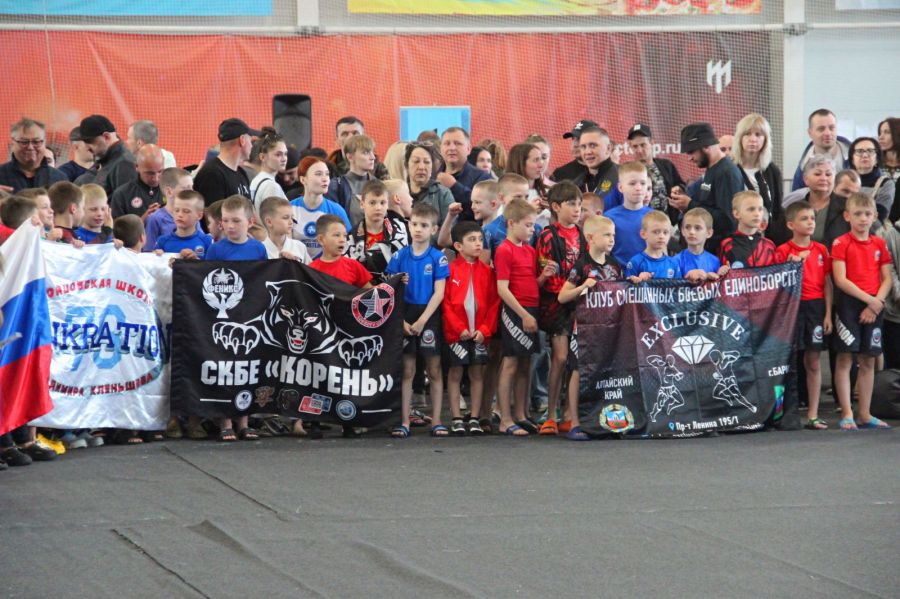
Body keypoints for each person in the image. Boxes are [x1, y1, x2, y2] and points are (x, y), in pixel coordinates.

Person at [385, 203, 449, 438]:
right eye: (414, 224)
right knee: (407, 369)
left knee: (434, 369)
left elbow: (439, 293)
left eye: (424, 225)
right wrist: (401, 320)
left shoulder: (438, 257)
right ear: (408, 226)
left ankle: (437, 420)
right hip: (405, 313)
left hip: (428, 316)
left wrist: (423, 320)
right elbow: (390, 290)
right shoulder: (399, 256)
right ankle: (404, 421)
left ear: (434, 229)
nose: (418, 229)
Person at [831, 192, 893, 430]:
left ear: (875, 216)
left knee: (868, 359)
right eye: (858, 214)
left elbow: (887, 278)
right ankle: (847, 412)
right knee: (845, 358)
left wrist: (876, 303)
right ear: (847, 216)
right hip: (849, 304)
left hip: (874, 305)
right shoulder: (841, 243)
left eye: (868, 214)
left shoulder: (879, 243)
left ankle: (865, 414)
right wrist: (870, 301)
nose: (863, 218)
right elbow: (840, 279)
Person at [495, 199, 553, 436]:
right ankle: (505, 418)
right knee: (510, 363)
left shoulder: (529, 250)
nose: (532, 229)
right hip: (515, 311)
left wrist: (544, 277)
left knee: (526, 362)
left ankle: (520, 414)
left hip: (531, 309)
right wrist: (523, 314)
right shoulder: (504, 249)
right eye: (528, 225)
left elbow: (530, 283)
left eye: (533, 225)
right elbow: (502, 289)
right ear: (511, 223)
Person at [775, 201, 833, 430]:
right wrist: (791, 265)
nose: (810, 222)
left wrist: (828, 314)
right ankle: (781, 413)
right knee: (786, 363)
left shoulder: (821, 250)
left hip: (815, 308)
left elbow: (827, 283)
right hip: (791, 308)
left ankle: (813, 414)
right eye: (804, 218)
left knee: (814, 361)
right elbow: (776, 284)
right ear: (791, 224)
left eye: (812, 218)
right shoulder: (783, 251)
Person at [534, 182, 584, 437]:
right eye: (571, 204)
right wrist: (570, 291)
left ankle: (568, 413)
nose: (577, 209)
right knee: (561, 357)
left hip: (579, 303)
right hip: (555, 305)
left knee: (574, 360)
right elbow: (547, 273)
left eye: (579, 204)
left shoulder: (582, 234)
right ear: (555, 207)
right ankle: (550, 413)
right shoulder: (547, 235)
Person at [442, 221, 500, 435]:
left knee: (477, 373)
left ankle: (474, 417)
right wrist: (458, 328)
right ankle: (457, 417)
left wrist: (485, 329)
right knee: (455, 373)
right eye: (472, 240)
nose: (478, 244)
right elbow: (445, 303)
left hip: (479, 334)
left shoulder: (488, 272)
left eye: (480, 240)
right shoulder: (449, 270)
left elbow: (494, 304)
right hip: (456, 334)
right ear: (458, 246)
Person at [674, 122, 744, 252]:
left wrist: (690, 205)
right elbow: (707, 201)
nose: (690, 158)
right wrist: (685, 196)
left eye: (691, 152)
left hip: (719, 253)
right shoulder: (713, 170)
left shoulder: (726, 173)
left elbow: (728, 220)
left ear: (705, 146)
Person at [732, 113, 786, 244]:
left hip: (767, 238)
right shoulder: (730, 169)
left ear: (765, 140)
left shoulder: (772, 171)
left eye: (758, 134)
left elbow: (777, 208)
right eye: (747, 134)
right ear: (739, 137)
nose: (753, 139)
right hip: (737, 239)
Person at [346, 179, 409, 278]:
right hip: (363, 286)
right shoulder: (351, 237)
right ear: (362, 204)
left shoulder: (401, 229)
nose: (378, 208)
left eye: (382, 202)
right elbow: (349, 272)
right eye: (372, 203)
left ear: (387, 204)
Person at [290, 156, 350, 258]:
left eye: (327, 174)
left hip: (327, 266)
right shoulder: (290, 208)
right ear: (303, 179)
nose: (325, 178)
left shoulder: (337, 210)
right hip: (297, 265)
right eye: (318, 174)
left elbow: (347, 244)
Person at [626, 123, 686, 225]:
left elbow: (681, 185)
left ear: (652, 143)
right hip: (641, 225)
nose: (639, 150)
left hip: (669, 223)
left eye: (643, 145)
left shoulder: (666, 165)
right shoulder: (627, 170)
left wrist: (678, 189)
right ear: (630, 147)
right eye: (635, 146)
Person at [193, 118, 259, 206]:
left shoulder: (241, 173)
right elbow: (212, 213)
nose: (251, 146)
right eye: (250, 141)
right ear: (242, 140)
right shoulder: (212, 174)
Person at [436, 127, 491, 219]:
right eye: (447, 143)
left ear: (468, 149)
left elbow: (484, 208)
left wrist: (454, 186)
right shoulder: (432, 177)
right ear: (440, 149)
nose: (452, 148)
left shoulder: (483, 177)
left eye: (457, 143)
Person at [74, 114, 136, 195]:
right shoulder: (106, 160)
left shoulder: (124, 163)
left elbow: (125, 200)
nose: (87, 147)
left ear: (106, 137)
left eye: (89, 141)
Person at [0, 118, 67, 192]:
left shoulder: (59, 179)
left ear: (44, 142)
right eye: (24, 142)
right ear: (13, 143)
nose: (30, 147)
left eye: (36, 142)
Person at [792, 109, 851, 191]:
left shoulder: (856, 158)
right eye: (821, 129)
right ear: (810, 133)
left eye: (831, 128)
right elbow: (798, 197)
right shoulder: (803, 169)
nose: (827, 133)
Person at [606, 161, 653, 265]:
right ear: (620, 187)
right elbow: (605, 254)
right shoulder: (609, 218)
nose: (638, 188)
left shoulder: (654, 216)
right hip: (619, 273)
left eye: (643, 183)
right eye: (632, 183)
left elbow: (662, 251)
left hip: (650, 273)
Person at [308, 214, 373, 288]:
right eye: (337, 235)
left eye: (344, 236)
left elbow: (371, 292)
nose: (342, 240)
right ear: (321, 239)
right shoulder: (311, 270)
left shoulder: (354, 266)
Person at [482, 173, 539, 257]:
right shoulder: (489, 231)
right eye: (518, 197)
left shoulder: (536, 229)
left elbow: (540, 260)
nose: (524, 201)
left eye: (526, 197)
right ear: (501, 198)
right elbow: (483, 264)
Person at [329, 134, 379, 226]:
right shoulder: (336, 186)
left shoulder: (379, 185)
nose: (373, 157)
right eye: (366, 152)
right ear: (350, 157)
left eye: (372, 152)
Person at [719, 191, 776, 269]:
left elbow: (777, 272)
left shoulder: (769, 245)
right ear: (736, 214)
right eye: (751, 209)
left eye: (760, 209)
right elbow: (723, 273)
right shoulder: (727, 245)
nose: (757, 214)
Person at [144, 167, 195, 251]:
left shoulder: (193, 216)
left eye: (192, 187)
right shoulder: (155, 219)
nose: (192, 192)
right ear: (169, 191)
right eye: (186, 188)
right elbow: (148, 251)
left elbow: (201, 246)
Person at [405, 142, 454, 226]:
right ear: (406, 165)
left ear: (432, 166)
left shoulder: (443, 194)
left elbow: (450, 228)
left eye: (427, 162)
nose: (421, 167)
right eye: (416, 161)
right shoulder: (400, 193)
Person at [572, 126, 622, 209]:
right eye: (583, 147)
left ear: (608, 148)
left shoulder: (623, 177)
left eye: (593, 145)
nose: (588, 152)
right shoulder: (576, 184)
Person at [109, 144, 165, 219]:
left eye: (160, 171)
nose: (156, 178)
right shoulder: (121, 195)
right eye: (150, 173)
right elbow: (116, 226)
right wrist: (142, 221)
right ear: (136, 166)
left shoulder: (172, 190)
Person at [625, 210, 682, 282]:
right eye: (656, 232)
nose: (661, 236)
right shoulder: (635, 262)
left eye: (665, 232)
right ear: (643, 234)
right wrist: (639, 280)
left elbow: (679, 287)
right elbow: (626, 286)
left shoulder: (673, 263)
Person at [205, 195, 267, 262]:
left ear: (250, 222)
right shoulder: (215, 250)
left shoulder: (259, 248)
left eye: (236, 221)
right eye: (225, 220)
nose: (230, 226)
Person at [848, 136, 895, 222]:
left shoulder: (886, 183)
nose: (865, 155)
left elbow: (879, 217)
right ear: (852, 159)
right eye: (859, 151)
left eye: (870, 151)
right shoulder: (844, 181)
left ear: (877, 159)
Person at [675, 207, 728, 283]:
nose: (691, 232)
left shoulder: (715, 261)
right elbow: (672, 286)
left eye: (697, 228)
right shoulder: (676, 261)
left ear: (709, 233)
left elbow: (718, 286)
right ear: (682, 231)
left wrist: (722, 275)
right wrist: (687, 278)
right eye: (687, 227)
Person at [155, 190, 213, 258]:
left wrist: (196, 260)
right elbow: (153, 261)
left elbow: (212, 264)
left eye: (186, 211)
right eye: (176, 210)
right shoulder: (162, 241)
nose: (180, 215)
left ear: (199, 216)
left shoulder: (207, 241)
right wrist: (158, 256)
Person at [506, 142, 550, 224]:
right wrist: (530, 211)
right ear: (521, 163)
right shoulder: (507, 193)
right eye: (536, 160)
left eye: (542, 158)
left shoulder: (546, 191)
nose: (541, 164)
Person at [258, 196, 309, 262]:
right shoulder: (259, 250)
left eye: (292, 217)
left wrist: (295, 263)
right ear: (269, 222)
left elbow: (309, 268)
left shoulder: (300, 247)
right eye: (285, 217)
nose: (291, 222)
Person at [249, 128, 288, 212]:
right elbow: (274, 218)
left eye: (285, 154)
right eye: (278, 154)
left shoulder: (256, 180)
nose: (284, 159)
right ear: (262, 157)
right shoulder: (271, 186)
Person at [49, 181, 85, 245]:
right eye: (83, 208)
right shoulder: (58, 236)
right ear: (73, 209)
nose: (84, 213)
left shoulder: (50, 232)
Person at [878, 117, 900, 222]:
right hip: (878, 221)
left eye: (887, 132)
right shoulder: (875, 165)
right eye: (880, 132)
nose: (881, 137)